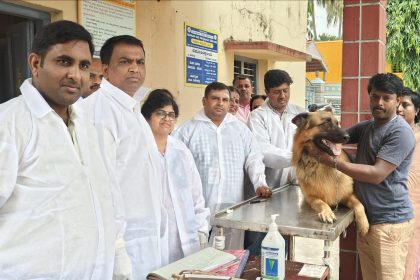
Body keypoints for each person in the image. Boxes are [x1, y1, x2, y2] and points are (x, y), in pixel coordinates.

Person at [0, 20, 127, 279]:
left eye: (83, 66)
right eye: (64, 62)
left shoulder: (90, 128)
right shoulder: (9, 124)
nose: (75, 75)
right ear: (36, 64)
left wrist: (119, 265)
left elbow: (108, 200)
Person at [314, 73, 415, 280]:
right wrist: (312, 131)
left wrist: (333, 162)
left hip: (390, 224)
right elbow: (338, 136)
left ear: (397, 101)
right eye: (375, 96)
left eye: (386, 98)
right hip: (368, 220)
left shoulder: (400, 132)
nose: (379, 103)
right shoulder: (368, 126)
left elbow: (377, 174)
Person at [82, 35, 165, 279]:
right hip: (121, 244)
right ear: (105, 69)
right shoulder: (100, 111)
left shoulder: (132, 109)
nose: (134, 68)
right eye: (125, 62)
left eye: (140, 62)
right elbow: (100, 187)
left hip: (144, 236)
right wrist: (118, 252)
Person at [172, 81, 271, 249]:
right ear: (204, 101)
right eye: (215, 99)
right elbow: (174, 169)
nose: (220, 103)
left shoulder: (240, 129)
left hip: (233, 205)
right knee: (199, 258)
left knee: (230, 257)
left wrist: (259, 183)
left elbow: (253, 158)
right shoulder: (187, 131)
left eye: (225, 100)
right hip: (199, 208)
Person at [141, 89, 210, 263]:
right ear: (147, 116)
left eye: (172, 115)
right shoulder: (138, 150)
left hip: (184, 237)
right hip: (151, 239)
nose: (167, 119)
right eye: (160, 113)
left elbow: (196, 196)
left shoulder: (181, 151)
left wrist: (201, 230)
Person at [248, 69, 306, 189]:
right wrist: (300, 157)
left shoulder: (301, 113)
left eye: (286, 90)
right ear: (267, 92)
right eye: (276, 92)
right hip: (268, 184)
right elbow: (264, 151)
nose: (282, 96)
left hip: (296, 184)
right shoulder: (257, 116)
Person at [397, 87, 420, 280]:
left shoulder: (418, 138)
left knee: (407, 266)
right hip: (389, 213)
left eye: (406, 105)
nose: (399, 109)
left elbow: (412, 178)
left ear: (417, 110)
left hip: (413, 210)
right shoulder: (390, 135)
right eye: (397, 104)